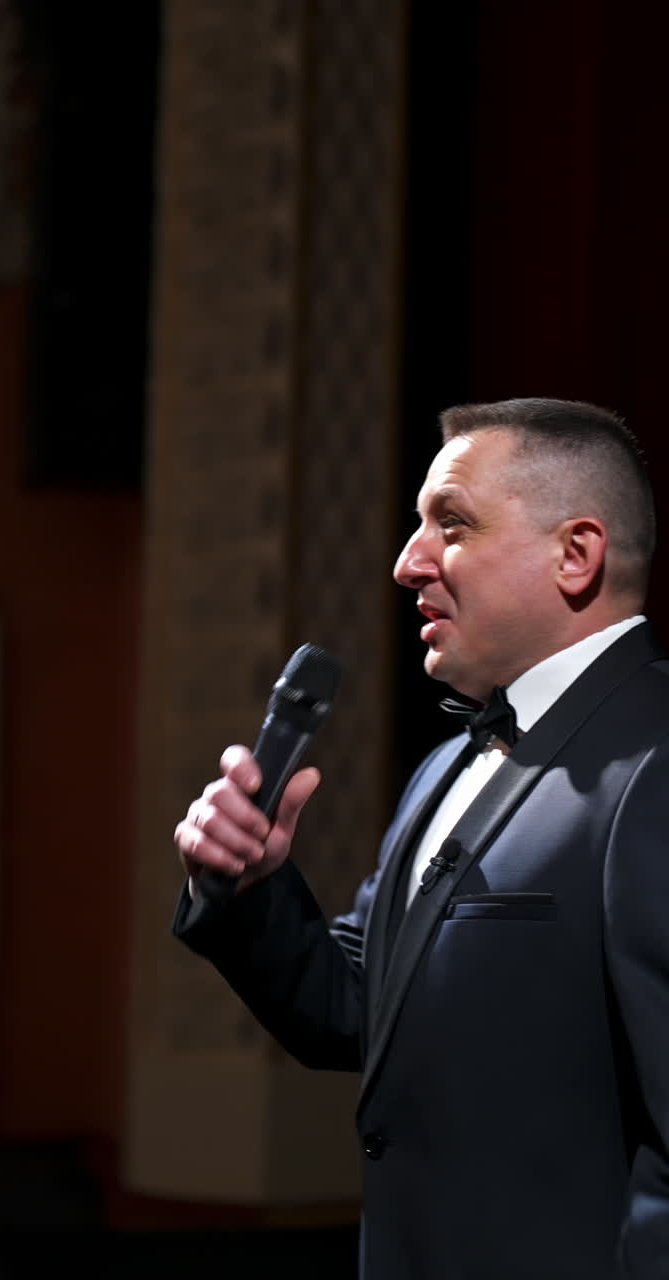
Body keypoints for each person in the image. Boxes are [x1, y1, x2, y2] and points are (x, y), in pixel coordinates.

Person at [172, 398, 669, 1279]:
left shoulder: (654, 760)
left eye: (452, 524)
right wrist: (249, 889)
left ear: (576, 554)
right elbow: (358, 1008)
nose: (408, 564)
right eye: (417, 528)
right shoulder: (446, 767)